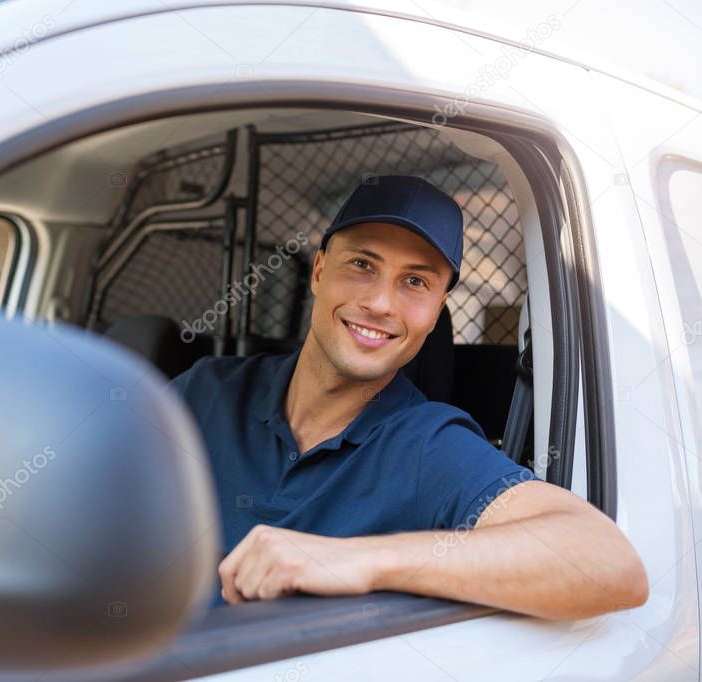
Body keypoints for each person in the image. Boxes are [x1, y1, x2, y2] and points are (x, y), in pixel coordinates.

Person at [169, 175, 647, 619]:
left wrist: (357, 561)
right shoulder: (207, 390)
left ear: (438, 310)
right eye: (362, 264)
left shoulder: (427, 444)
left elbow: (608, 563)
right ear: (318, 271)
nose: (380, 304)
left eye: (415, 281)